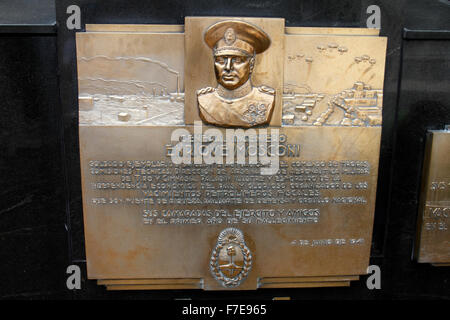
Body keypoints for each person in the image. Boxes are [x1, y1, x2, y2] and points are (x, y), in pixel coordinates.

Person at [197, 20, 275, 128]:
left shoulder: (266, 100)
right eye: (220, 61)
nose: (228, 67)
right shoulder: (204, 101)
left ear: (251, 64)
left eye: (237, 60)